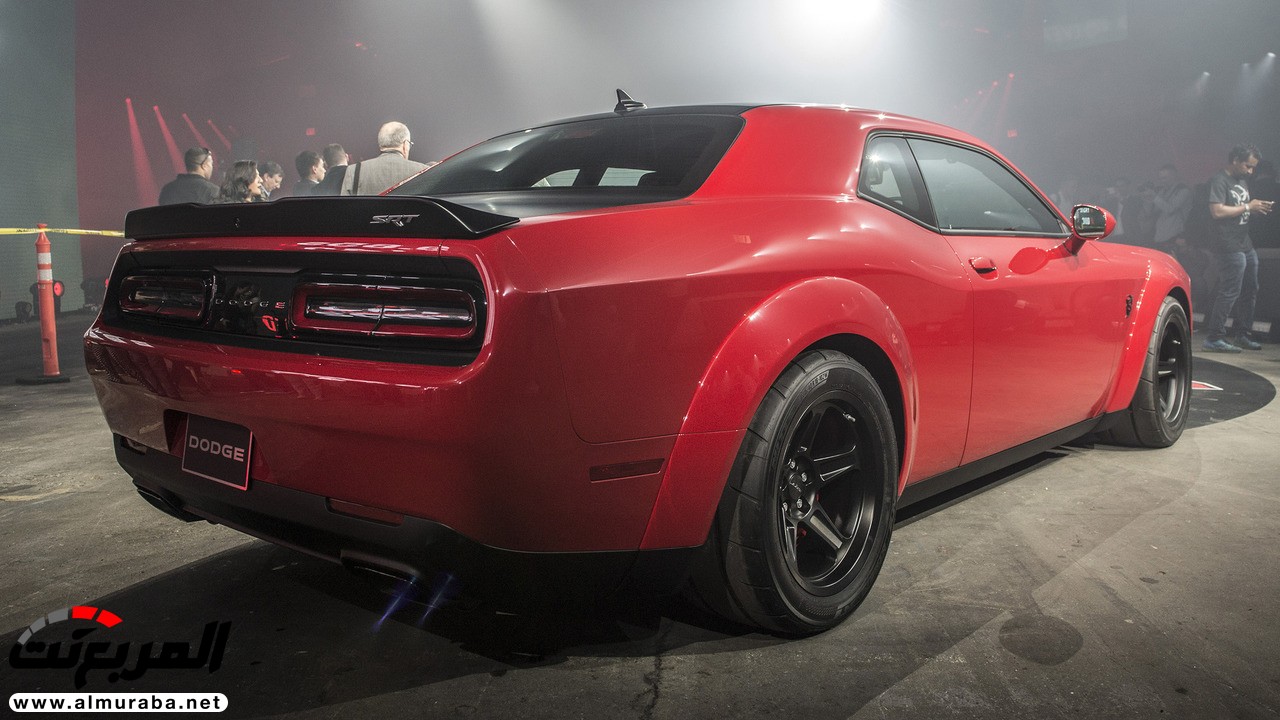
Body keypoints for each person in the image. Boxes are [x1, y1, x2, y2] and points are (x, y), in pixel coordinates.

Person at [1202, 144, 1274, 352]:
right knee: (1230, 290)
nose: (1250, 171)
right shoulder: (1219, 180)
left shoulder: (1241, 180)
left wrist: (1254, 209)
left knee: (1251, 289)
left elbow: (1238, 209)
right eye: (1247, 166)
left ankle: (1243, 334)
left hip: (1244, 242)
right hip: (1227, 242)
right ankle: (1214, 337)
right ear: (1235, 160)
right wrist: (1248, 206)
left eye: (1253, 167)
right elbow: (1216, 211)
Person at [341, 121, 426, 195]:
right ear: (405, 144)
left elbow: (345, 206)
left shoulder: (354, 171)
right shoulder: (425, 172)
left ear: (381, 144)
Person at [1151, 164, 1192, 255]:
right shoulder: (1162, 191)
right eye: (1160, 178)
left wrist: (1154, 197)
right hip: (1160, 237)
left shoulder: (1183, 190)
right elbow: (1154, 211)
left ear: (1174, 176)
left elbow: (1170, 209)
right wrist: (1148, 199)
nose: (1162, 181)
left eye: (1165, 178)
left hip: (1175, 238)